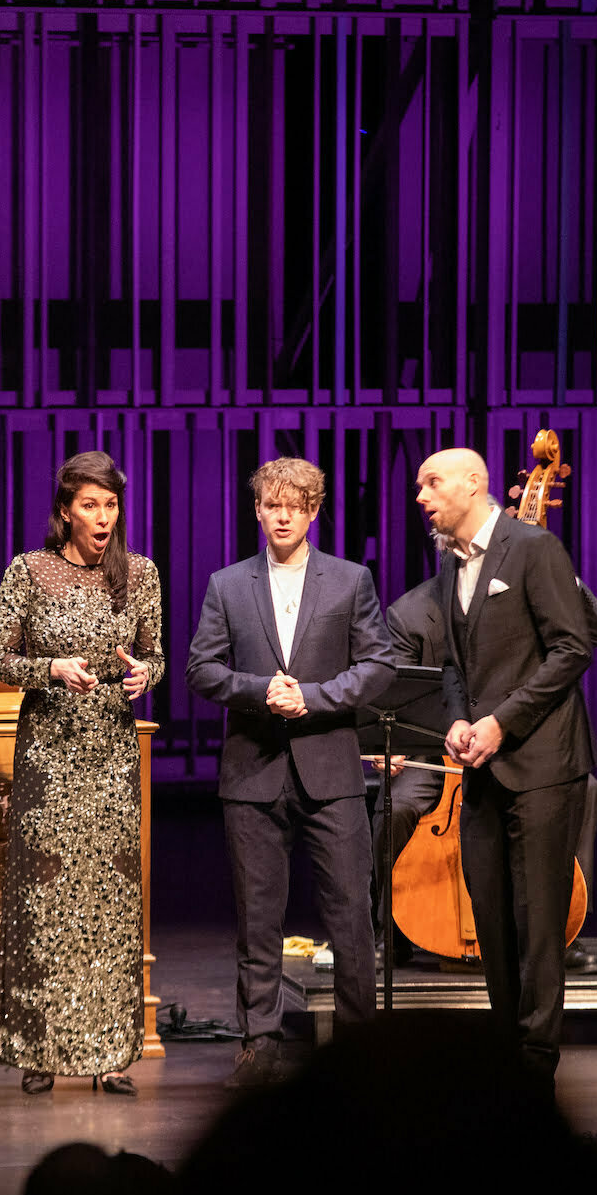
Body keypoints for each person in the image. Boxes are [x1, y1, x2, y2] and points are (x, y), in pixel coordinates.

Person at [186, 457, 394, 1088]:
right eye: (272, 505)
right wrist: (259, 691)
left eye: (295, 506)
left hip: (329, 771)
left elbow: (378, 664)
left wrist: (314, 697)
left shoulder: (350, 581)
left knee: (351, 915)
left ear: (312, 512)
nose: (282, 515)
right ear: (258, 510)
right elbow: (201, 669)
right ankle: (260, 1043)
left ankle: (360, 1051)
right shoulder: (227, 584)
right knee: (258, 917)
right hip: (253, 774)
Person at [417, 448, 597, 1083]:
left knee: (539, 923)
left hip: (543, 763)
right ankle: (504, 1057)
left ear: (475, 485)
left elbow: (573, 647)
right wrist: (458, 721)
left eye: (432, 483)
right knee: (491, 923)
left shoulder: (532, 549)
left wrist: (502, 721)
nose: (422, 496)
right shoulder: (448, 566)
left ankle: (536, 1066)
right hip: (481, 766)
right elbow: (450, 665)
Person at [0, 452, 165, 1096]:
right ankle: (42, 1049)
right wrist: (53, 668)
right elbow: (0, 661)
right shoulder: (29, 571)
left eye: (110, 505)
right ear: (65, 511)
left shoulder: (139, 575)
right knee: (47, 899)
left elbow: (155, 655)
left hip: (111, 751)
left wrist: (146, 675)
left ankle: (111, 1052)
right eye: (89, 505)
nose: (102, 517)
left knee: (112, 901)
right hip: (50, 753)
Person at [371, 558, 597, 976]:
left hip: (521, 744)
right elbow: (393, 693)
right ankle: (387, 934)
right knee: (401, 803)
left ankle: (559, 934)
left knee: (584, 791)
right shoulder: (409, 614)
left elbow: (593, 632)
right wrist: (388, 745)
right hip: (437, 751)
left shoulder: (533, 600)